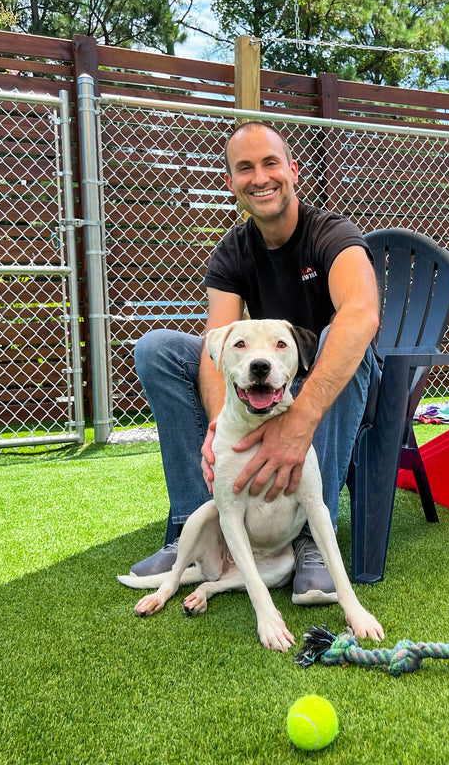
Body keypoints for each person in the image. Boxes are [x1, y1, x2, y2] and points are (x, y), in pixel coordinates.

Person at [125, 120, 380, 605]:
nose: (260, 177)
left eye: (270, 163)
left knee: (339, 338)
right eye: (245, 168)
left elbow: (363, 315)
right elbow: (214, 348)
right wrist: (219, 424)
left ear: (293, 171)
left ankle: (308, 538)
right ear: (231, 183)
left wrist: (299, 420)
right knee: (158, 348)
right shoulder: (233, 250)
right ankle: (191, 522)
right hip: (260, 388)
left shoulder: (331, 234)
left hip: (333, 388)